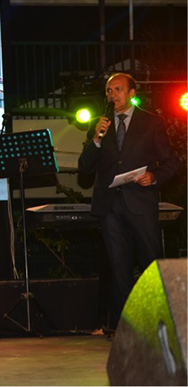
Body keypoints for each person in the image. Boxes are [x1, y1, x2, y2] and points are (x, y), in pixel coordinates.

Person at [78, 73, 178, 331]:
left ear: (132, 93)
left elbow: (172, 163)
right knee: (119, 268)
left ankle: (162, 325)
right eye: (109, 90)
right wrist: (96, 139)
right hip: (109, 206)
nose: (112, 95)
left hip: (140, 203)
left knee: (151, 264)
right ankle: (128, 329)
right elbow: (84, 167)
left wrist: (154, 176)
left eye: (118, 89)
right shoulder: (100, 125)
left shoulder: (151, 122)